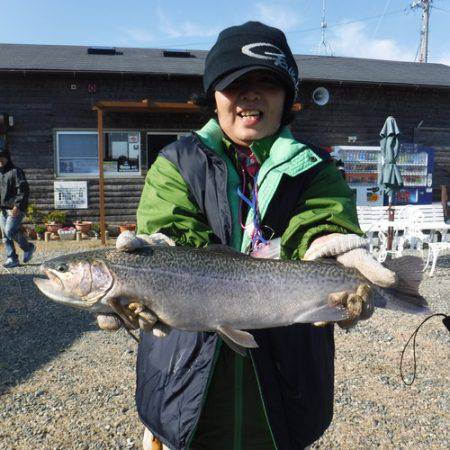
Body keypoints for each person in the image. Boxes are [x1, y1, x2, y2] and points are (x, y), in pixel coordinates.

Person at [99, 21, 396, 450]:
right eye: (235, 83)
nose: (250, 96)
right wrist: (142, 277)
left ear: (288, 96)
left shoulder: (316, 168)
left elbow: (322, 224)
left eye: (268, 83)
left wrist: (333, 246)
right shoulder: (175, 163)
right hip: (184, 379)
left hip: (288, 379)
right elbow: (170, 234)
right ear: (214, 95)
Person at [0, 139, 35, 268]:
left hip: (15, 208)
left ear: (7, 158)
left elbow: (24, 190)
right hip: (2, 209)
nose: (0, 161)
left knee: (9, 231)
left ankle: (28, 247)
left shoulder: (16, 171)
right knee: (5, 235)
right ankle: (12, 259)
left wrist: (17, 205)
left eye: (1, 158)